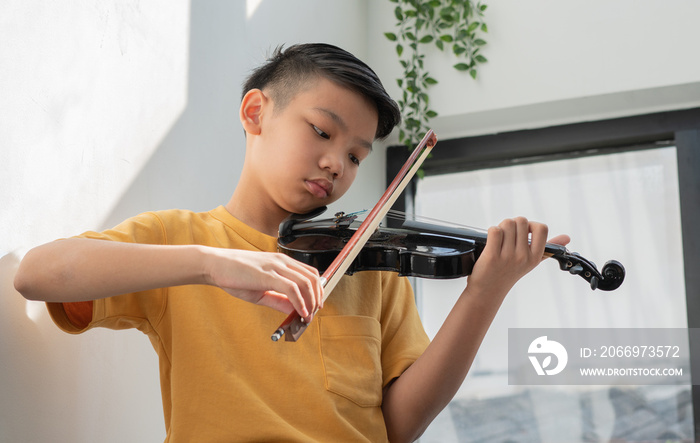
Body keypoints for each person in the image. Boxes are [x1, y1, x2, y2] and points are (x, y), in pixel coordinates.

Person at [14, 43, 569, 442]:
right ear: (256, 114)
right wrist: (211, 265)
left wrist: (484, 294)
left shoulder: (370, 268)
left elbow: (400, 425)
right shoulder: (182, 240)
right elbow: (38, 273)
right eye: (322, 133)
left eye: (355, 156)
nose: (336, 164)